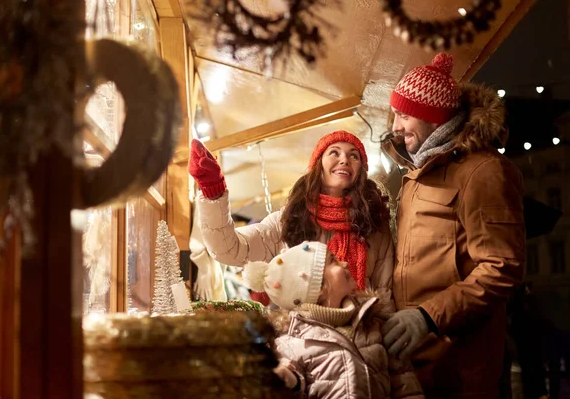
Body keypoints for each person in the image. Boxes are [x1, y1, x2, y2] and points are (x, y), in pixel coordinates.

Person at [379, 52, 526, 398]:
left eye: (404, 114)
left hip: (460, 368)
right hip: (415, 363)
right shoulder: (419, 172)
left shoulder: (483, 171)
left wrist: (426, 317)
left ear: (433, 118)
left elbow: (501, 267)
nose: (396, 126)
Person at [188, 130, 394, 305]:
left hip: (360, 340)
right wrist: (213, 192)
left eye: (354, 156)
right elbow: (230, 249)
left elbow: (384, 292)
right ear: (318, 165)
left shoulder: (374, 225)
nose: (344, 160)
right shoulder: (288, 220)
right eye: (334, 152)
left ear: (361, 171)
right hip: (299, 339)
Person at [242, 241, 424, 399]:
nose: (344, 263)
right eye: (332, 260)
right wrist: (293, 381)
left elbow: (404, 385)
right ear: (318, 287)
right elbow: (291, 384)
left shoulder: (371, 322)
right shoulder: (290, 343)